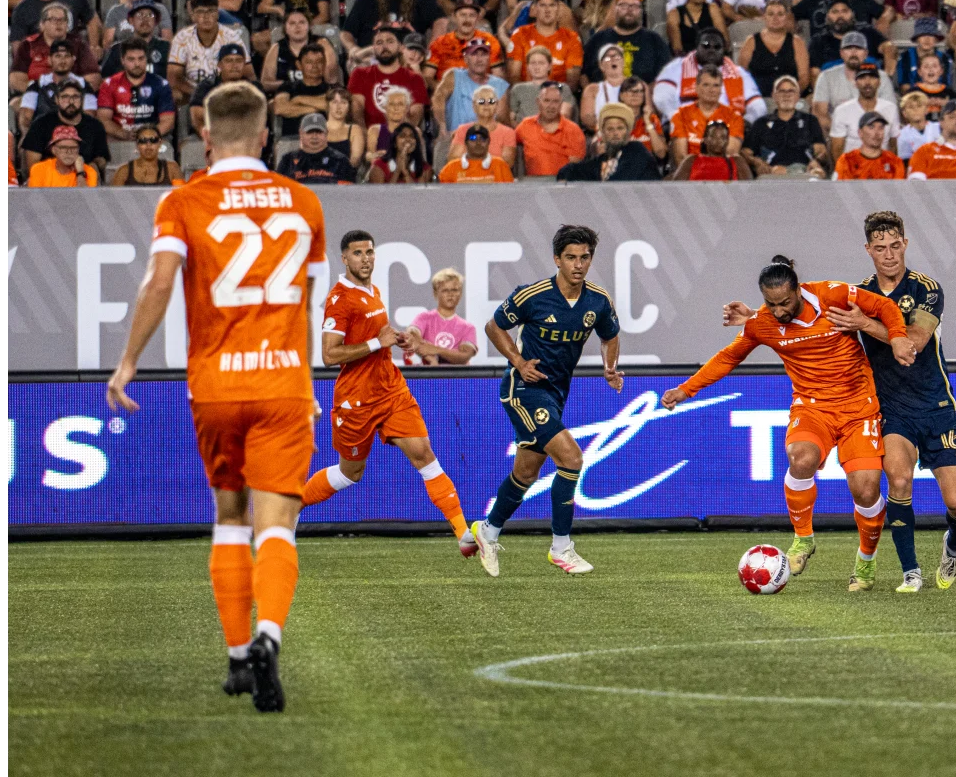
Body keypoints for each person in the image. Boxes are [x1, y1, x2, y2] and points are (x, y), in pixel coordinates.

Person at [104, 82, 328, 709]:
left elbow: (159, 281)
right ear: (265, 136)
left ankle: (236, 659)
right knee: (276, 523)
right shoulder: (304, 201)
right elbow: (307, 302)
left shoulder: (183, 200)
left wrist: (128, 362)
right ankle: (268, 636)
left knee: (230, 515)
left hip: (217, 384)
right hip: (282, 381)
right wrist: (306, 379)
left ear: (203, 135)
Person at [664, 256, 913, 588]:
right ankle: (803, 538)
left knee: (866, 490)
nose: (779, 311)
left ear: (798, 290)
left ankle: (866, 562)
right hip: (812, 407)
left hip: (859, 407)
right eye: (771, 304)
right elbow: (728, 357)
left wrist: (897, 336)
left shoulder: (832, 294)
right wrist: (686, 389)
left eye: (785, 303)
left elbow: (883, 306)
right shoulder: (761, 323)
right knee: (800, 458)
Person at [300, 230, 473, 553]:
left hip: (391, 389)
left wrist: (396, 338)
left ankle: (464, 535)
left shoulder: (373, 290)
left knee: (424, 455)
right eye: (357, 253)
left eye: (369, 252)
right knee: (350, 474)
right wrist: (376, 342)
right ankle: (293, 505)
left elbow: (376, 335)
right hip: (356, 399)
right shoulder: (339, 300)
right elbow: (329, 355)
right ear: (344, 258)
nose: (365, 259)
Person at [469, 227, 624, 578]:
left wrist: (610, 367)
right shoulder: (533, 295)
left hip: (555, 395)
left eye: (584, 257)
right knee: (571, 459)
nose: (578, 264)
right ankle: (561, 548)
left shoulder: (598, 301)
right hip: (523, 389)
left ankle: (486, 532)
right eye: (571, 257)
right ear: (557, 259)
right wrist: (519, 361)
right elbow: (494, 327)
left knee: (526, 473)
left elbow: (610, 335)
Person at [275, 112, 358, 183]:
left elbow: (348, 192)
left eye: (319, 132)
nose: (314, 136)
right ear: (301, 133)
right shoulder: (288, 161)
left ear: (326, 133)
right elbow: (279, 189)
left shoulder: (341, 161)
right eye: (310, 132)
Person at [435, 124, 517, 183]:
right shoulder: (451, 168)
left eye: (482, 139)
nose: (478, 142)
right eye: (473, 138)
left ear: (488, 142)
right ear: (466, 143)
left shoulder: (500, 165)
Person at [29, 124, 103, 187]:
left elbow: (86, 197)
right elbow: (35, 197)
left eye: (73, 148)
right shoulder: (39, 169)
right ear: (53, 150)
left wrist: (80, 173)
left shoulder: (89, 172)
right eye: (63, 147)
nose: (69, 152)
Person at [109, 124, 183, 186]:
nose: (148, 145)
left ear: (160, 143)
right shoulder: (124, 171)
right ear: (137, 145)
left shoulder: (172, 169)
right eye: (143, 141)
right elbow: (114, 198)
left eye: (153, 140)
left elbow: (181, 196)